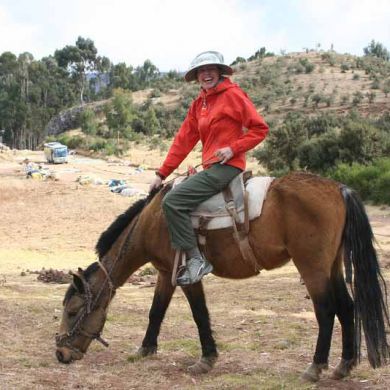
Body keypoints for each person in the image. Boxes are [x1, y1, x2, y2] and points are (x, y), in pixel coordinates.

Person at [149, 51, 269, 286]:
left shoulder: (233, 95)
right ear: (196, 77)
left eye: (210, 70)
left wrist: (233, 148)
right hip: (211, 168)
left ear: (219, 72)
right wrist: (161, 173)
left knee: (173, 201)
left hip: (227, 167)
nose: (206, 75)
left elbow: (259, 129)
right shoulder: (199, 105)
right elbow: (183, 140)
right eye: (201, 71)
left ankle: (196, 260)